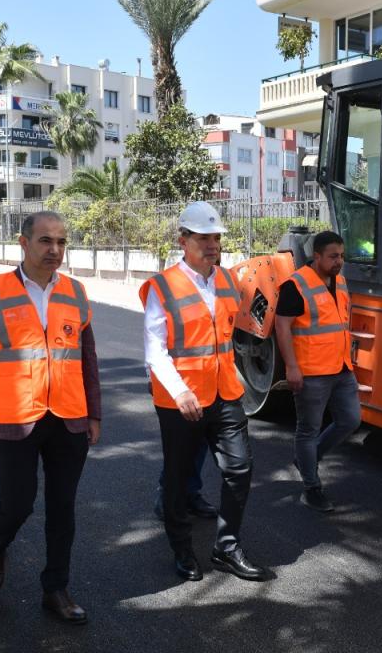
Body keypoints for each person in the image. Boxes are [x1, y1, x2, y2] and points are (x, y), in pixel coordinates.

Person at [0, 211, 101, 625]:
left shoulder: (76, 292)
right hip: (15, 417)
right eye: (45, 241)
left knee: (63, 508)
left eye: (61, 241)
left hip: (69, 417)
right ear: (23, 243)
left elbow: (87, 359)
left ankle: (55, 589)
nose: (54, 250)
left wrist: (95, 413)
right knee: (18, 502)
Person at [143, 201, 270, 583]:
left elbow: (237, 333)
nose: (212, 245)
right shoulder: (162, 286)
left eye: (215, 237)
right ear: (183, 240)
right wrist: (180, 391)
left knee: (239, 469)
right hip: (180, 401)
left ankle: (227, 548)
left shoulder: (229, 281)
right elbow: (155, 347)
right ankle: (182, 550)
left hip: (225, 393)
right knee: (179, 480)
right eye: (203, 237)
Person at [273, 231, 362, 513]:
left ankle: (307, 459)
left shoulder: (341, 282)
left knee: (350, 420)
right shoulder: (296, 285)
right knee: (308, 430)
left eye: (342, 256)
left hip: (341, 368)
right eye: (333, 256)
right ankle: (312, 488)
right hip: (311, 372)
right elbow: (282, 326)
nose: (339, 261)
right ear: (317, 256)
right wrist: (292, 367)